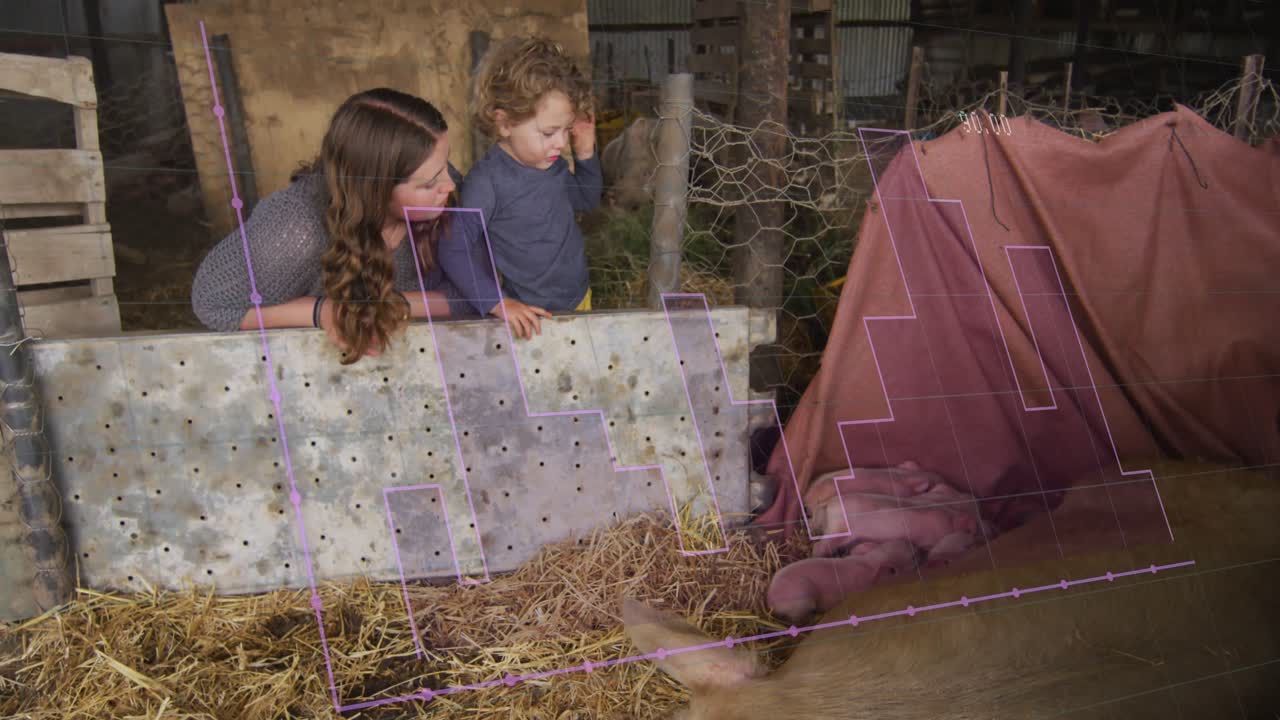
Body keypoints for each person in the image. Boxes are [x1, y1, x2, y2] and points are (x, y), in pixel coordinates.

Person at [190, 88, 551, 364]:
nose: (451, 185)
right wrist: (325, 312)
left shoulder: (442, 195)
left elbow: (474, 294)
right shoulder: (296, 226)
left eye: (445, 165)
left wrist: (381, 306)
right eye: (427, 183)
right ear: (373, 191)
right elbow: (216, 304)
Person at [462, 36, 601, 312]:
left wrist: (585, 153)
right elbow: (455, 248)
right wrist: (495, 302)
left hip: (579, 297)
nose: (561, 143)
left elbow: (586, 200)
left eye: (566, 129)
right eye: (549, 132)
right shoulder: (486, 182)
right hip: (528, 316)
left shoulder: (552, 164)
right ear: (504, 123)